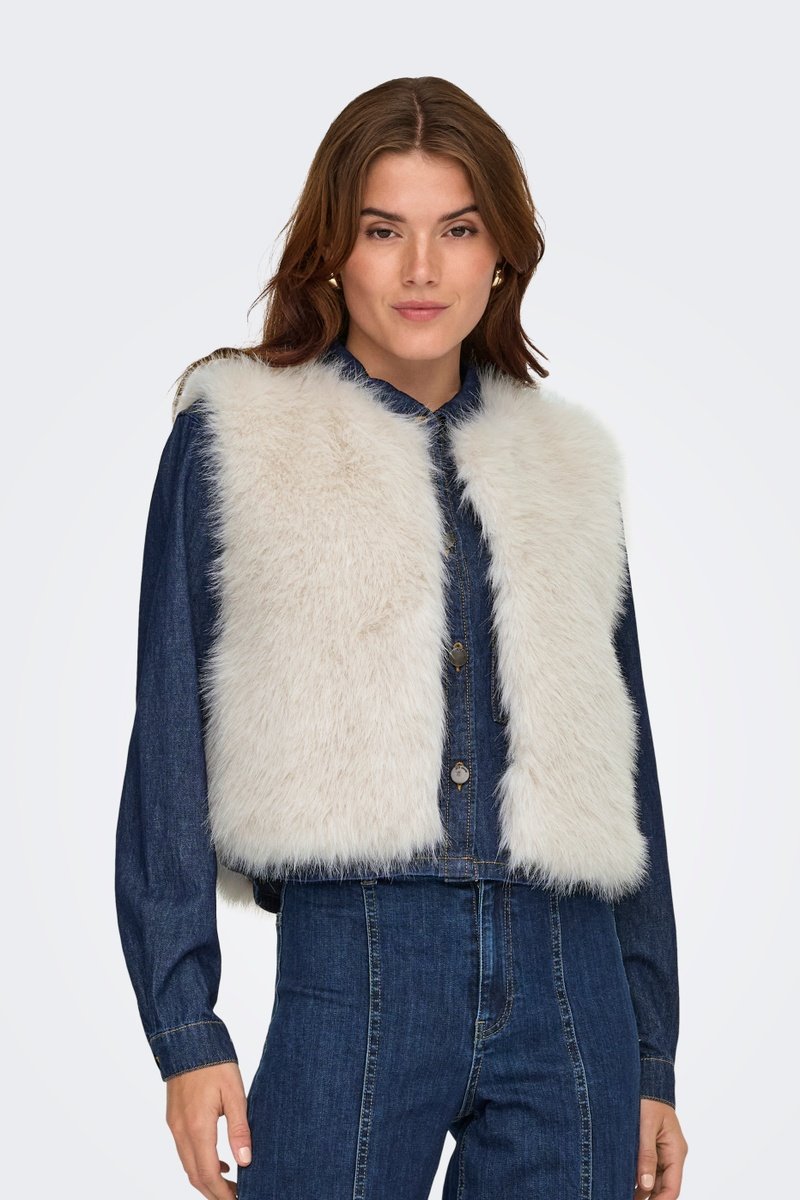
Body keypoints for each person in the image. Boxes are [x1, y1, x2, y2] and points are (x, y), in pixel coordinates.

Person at [115, 75, 688, 1200]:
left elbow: (627, 774)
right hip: (355, 967)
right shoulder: (238, 438)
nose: (422, 269)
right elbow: (167, 738)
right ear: (334, 250)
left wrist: (652, 1053)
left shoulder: (566, 465)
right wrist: (185, 1027)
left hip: (571, 987)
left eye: (457, 230)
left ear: (501, 255)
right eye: (384, 231)